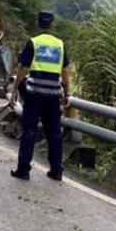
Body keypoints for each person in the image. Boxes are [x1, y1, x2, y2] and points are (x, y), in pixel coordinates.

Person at [9, 11, 70, 182]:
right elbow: (65, 73)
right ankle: (56, 171)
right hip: (53, 96)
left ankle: (23, 170)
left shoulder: (33, 43)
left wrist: (14, 90)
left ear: (38, 24)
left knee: (29, 130)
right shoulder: (60, 45)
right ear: (51, 25)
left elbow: (23, 69)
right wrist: (67, 93)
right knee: (54, 133)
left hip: (34, 95)